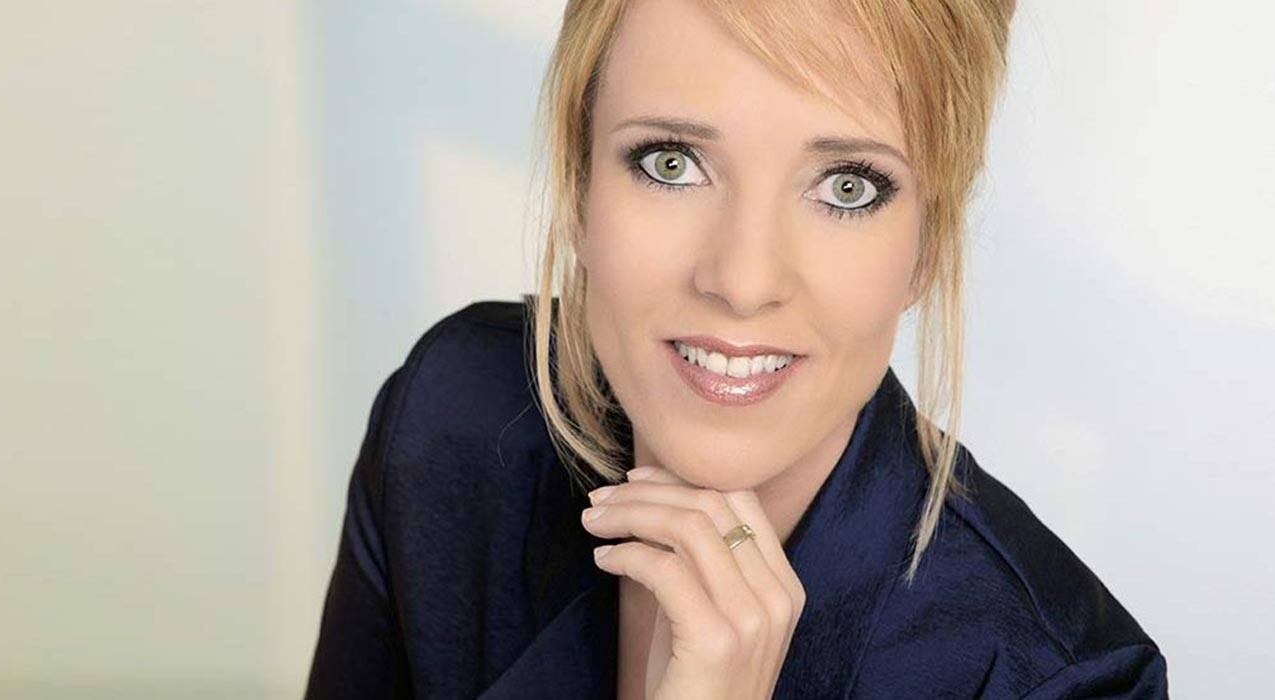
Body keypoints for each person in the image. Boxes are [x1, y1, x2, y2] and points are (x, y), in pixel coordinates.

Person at [303, 0, 1168, 698]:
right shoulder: (451, 421)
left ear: (928, 247)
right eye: (671, 162)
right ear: (576, 186)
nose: (744, 280)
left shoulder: (1062, 682)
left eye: (847, 186)